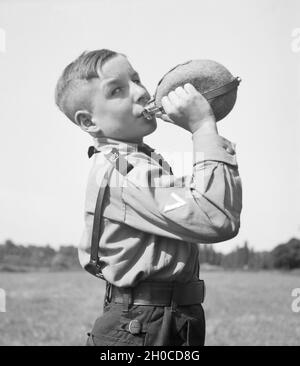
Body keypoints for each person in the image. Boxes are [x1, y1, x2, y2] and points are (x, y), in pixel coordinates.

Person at [54, 49, 242, 346]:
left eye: (137, 79)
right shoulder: (124, 173)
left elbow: (199, 205)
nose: (141, 92)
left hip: (161, 319)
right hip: (143, 327)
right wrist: (203, 128)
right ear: (89, 122)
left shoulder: (140, 162)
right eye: (117, 90)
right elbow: (215, 218)